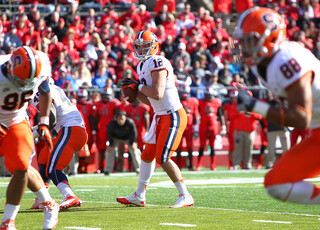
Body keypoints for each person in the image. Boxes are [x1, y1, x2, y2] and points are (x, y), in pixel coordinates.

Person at [233, 7, 320, 204]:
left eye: (250, 40)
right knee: (276, 183)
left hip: (312, 126)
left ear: (271, 38)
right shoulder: (261, 62)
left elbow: (300, 118)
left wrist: (255, 106)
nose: (244, 47)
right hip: (317, 134)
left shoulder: (287, 60)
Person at [117, 30, 194, 208]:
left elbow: (157, 94)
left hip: (172, 114)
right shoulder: (141, 66)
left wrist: (139, 86)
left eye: (145, 46)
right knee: (147, 155)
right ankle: (139, 195)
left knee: (163, 157)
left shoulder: (159, 61)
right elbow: (149, 100)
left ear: (154, 46)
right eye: (139, 47)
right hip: (159, 115)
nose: (142, 50)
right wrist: (134, 94)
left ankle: (185, 195)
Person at [0, 46, 59, 229]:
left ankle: (8, 222)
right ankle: (49, 202)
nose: (24, 85)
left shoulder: (40, 65)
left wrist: (43, 122)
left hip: (16, 120)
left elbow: (45, 90)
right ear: (10, 68)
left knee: (21, 166)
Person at [30, 83, 88, 211]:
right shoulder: (54, 87)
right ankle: (41, 199)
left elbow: (51, 119)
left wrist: (31, 134)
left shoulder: (38, 91)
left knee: (53, 168)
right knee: (44, 157)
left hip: (70, 129)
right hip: (72, 129)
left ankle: (70, 195)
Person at [104, 110, 141, 175]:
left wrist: (132, 143)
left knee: (134, 150)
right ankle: (108, 170)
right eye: (119, 118)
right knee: (110, 151)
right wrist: (111, 144)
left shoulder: (130, 122)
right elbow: (109, 134)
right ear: (116, 118)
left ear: (125, 118)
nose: (120, 120)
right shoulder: (112, 124)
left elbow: (134, 133)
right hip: (116, 138)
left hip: (128, 138)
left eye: (122, 118)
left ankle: (139, 169)